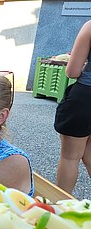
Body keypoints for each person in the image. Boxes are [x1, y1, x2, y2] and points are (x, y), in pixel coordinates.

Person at [54, 20, 91, 194]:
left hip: (85, 97)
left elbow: (72, 72)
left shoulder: (90, 27)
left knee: (70, 157)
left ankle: (61, 206)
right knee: (89, 155)